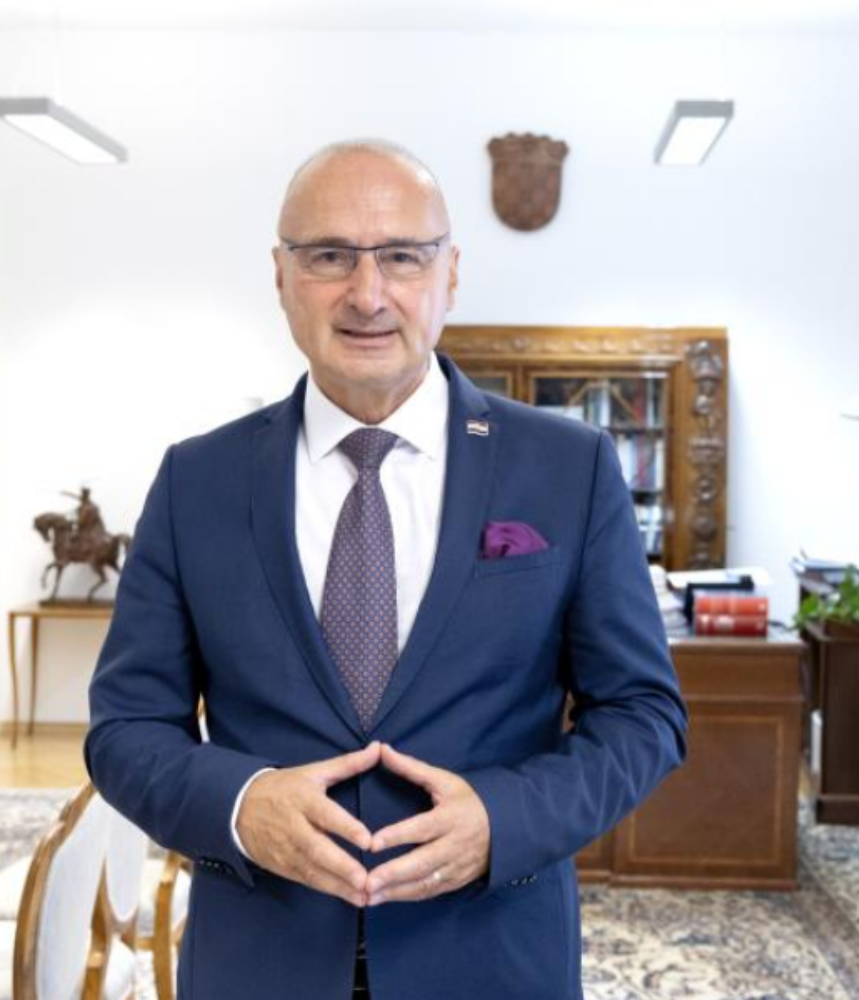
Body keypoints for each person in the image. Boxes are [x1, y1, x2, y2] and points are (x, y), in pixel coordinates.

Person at [85, 139, 687, 1000]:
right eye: (329, 256)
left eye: (402, 256)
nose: (367, 294)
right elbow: (126, 728)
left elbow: (643, 715)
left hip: (492, 957)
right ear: (282, 275)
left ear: (450, 274)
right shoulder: (197, 481)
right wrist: (242, 804)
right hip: (260, 962)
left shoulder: (570, 467)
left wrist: (503, 819)